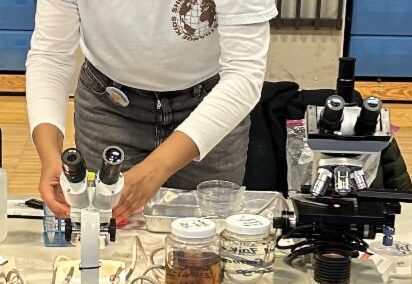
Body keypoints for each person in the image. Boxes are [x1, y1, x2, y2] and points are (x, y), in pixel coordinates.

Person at [27, 0, 277, 223]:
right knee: (105, 237)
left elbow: (244, 75)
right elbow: (50, 56)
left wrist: (154, 170)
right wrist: (50, 155)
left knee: (206, 241)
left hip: (209, 105)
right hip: (110, 106)